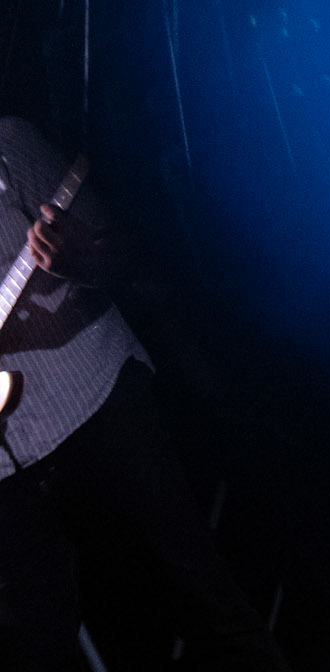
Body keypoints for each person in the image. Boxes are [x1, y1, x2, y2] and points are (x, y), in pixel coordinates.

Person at [0, 115, 291, 670]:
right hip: (7, 470)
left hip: (96, 397)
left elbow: (125, 247)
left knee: (205, 597)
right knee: (39, 647)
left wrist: (82, 259)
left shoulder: (9, 146)